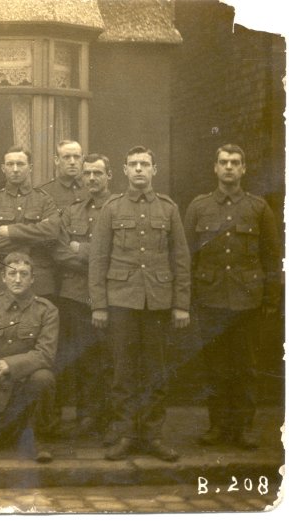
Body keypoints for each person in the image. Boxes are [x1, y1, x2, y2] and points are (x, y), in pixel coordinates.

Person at [89, 145, 191, 462]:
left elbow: (181, 259)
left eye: (144, 164)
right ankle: (125, 435)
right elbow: (98, 259)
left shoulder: (168, 209)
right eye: (132, 164)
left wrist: (181, 304)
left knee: (156, 372)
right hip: (121, 303)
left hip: (158, 304)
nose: (138, 170)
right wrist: (99, 305)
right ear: (123, 170)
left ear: (154, 170)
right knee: (122, 373)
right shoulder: (112, 208)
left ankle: (152, 435)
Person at [184, 144, 281, 450]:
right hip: (210, 299)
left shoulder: (258, 208)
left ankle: (243, 428)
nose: (228, 167)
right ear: (215, 168)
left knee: (246, 367)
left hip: (247, 302)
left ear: (243, 169)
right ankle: (218, 426)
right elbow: (187, 257)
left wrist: (271, 301)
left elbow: (271, 258)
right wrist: (186, 299)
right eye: (223, 162)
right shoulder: (199, 207)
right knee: (215, 366)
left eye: (235, 162)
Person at [0, 252, 58, 463]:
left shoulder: (47, 310)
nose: (18, 279)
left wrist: (10, 364)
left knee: (44, 377)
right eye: (12, 273)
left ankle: (37, 436)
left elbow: (45, 354)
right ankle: (20, 429)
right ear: (3, 277)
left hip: (28, 387)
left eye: (24, 274)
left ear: (32, 278)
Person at [52, 154, 114, 440]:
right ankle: (84, 415)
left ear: (109, 176)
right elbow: (59, 251)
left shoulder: (117, 208)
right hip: (74, 295)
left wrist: (83, 249)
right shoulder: (71, 211)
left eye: (97, 173)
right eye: (87, 174)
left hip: (108, 295)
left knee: (103, 357)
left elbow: (116, 254)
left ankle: (102, 415)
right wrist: (91, 256)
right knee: (78, 356)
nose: (91, 178)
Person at [0, 146, 60, 300]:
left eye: (20, 164)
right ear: (3, 168)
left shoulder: (44, 199)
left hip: (39, 280)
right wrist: (32, 241)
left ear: (30, 168)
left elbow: (52, 233)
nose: (15, 169)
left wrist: (11, 231)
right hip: (0, 280)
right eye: (10, 164)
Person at [38, 140, 88, 213]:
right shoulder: (44, 191)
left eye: (77, 157)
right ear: (57, 160)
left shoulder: (90, 187)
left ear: (82, 159)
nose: (72, 162)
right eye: (66, 157)